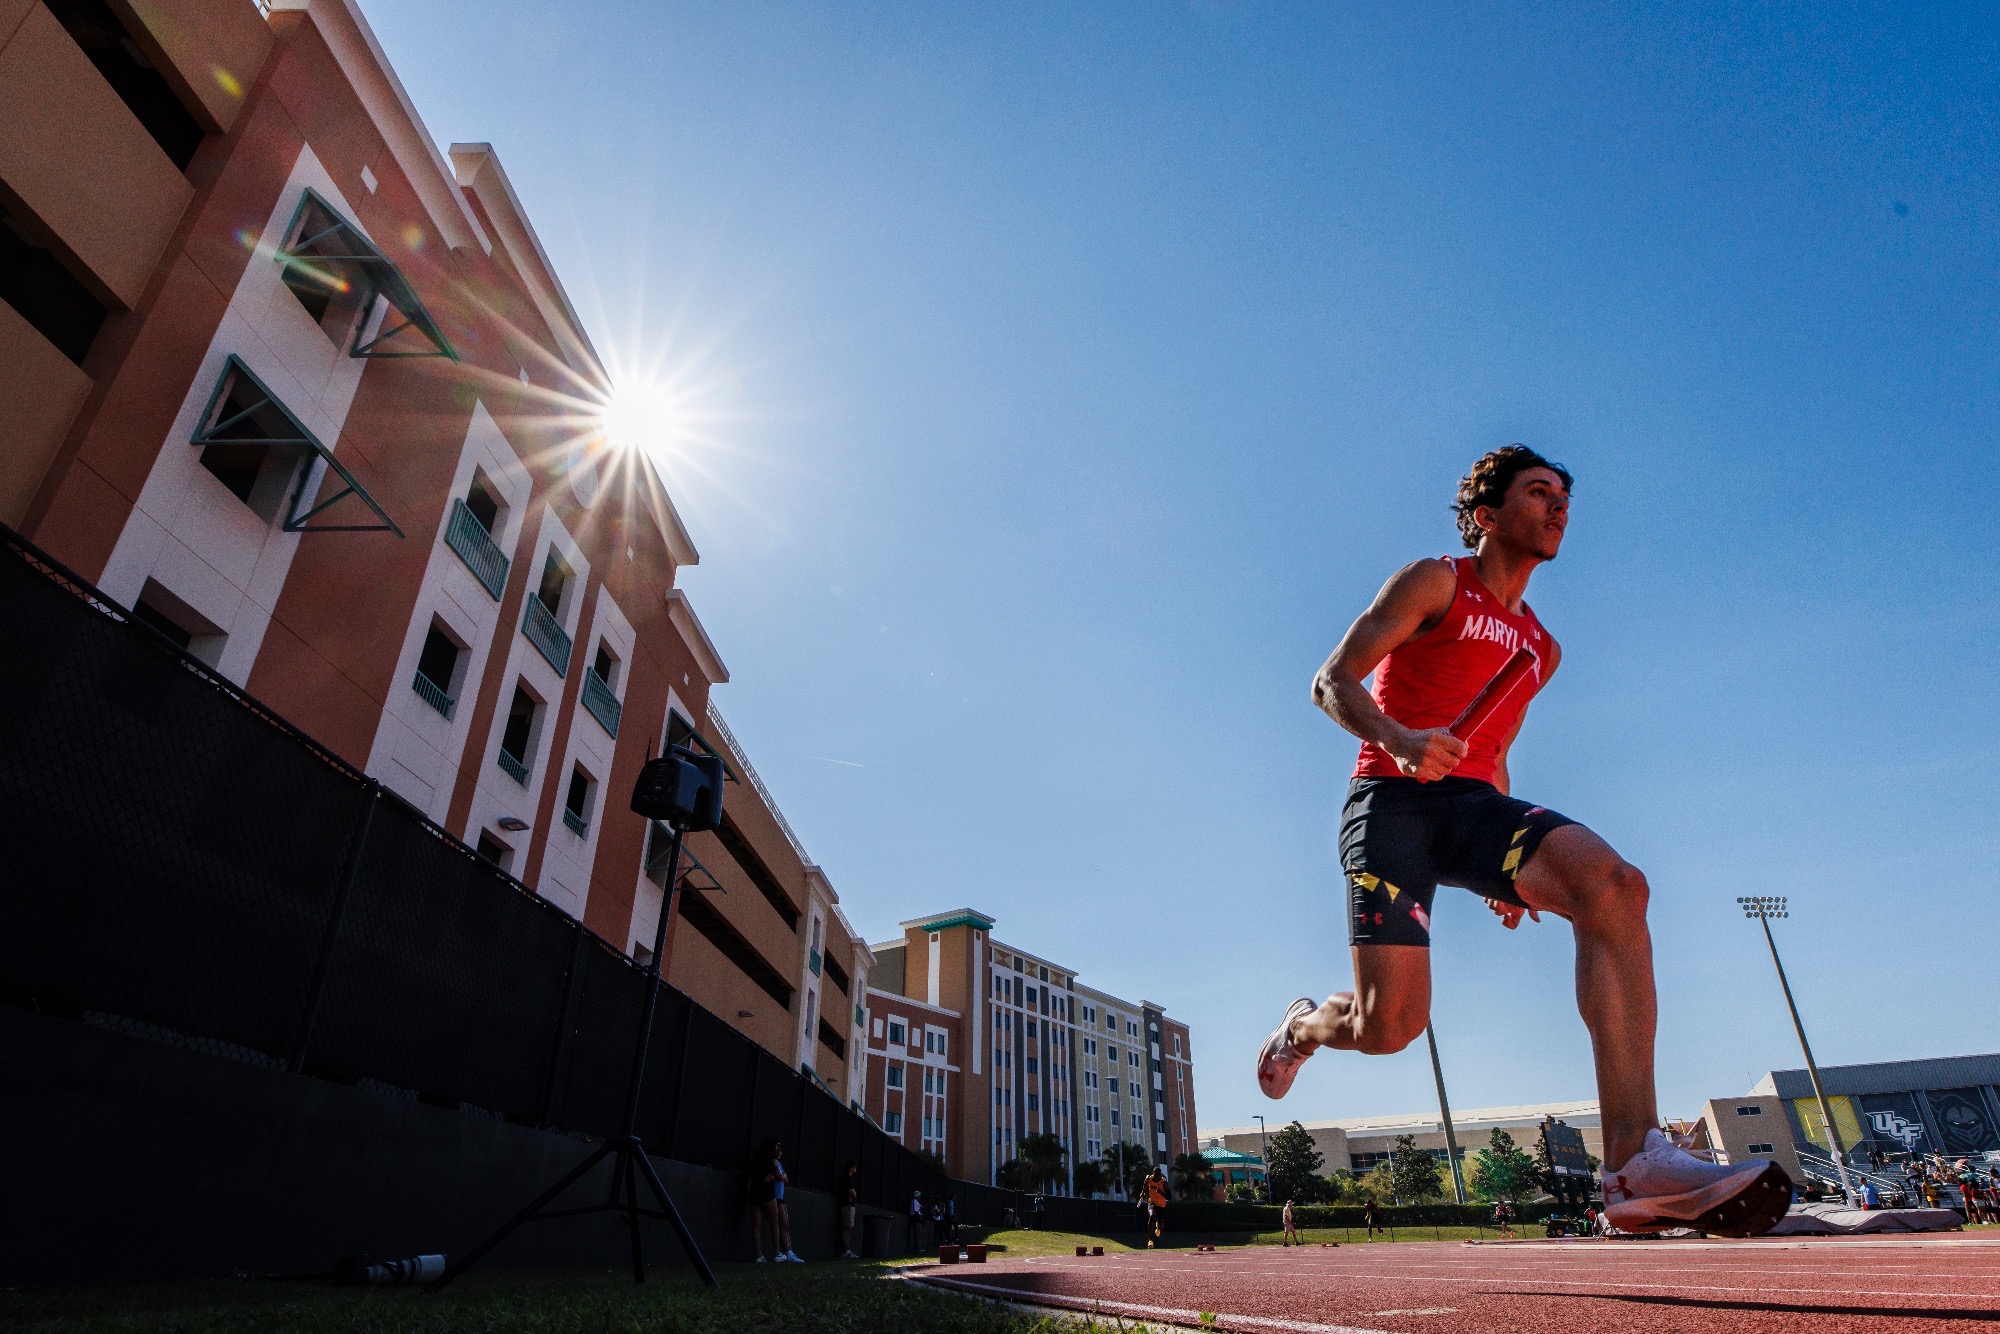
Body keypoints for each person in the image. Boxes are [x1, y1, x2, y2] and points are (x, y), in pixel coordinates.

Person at [1254, 446, 1794, 1239]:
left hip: (1475, 806)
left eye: (1564, 496)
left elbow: (1497, 750)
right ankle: (1301, 1026)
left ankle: (1633, 1163)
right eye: (1539, 492)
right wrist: (1400, 738)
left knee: (1615, 886)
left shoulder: (1541, 646)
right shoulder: (1434, 581)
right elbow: (1331, 681)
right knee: (1389, 1027)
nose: (1559, 506)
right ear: (1486, 515)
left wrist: (1507, 876)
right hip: (1391, 803)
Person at [750, 1138, 801, 1263]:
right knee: (774, 1223)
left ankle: (758, 1255)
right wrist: (774, 1175)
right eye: (776, 1147)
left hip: (754, 1192)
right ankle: (776, 1253)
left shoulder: (756, 1159)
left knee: (756, 1226)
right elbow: (775, 1176)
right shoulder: (773, 1160)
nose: (778, 1150)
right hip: (767, 1193)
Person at [838, 1161, 860, 1258]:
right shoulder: (847, 1179)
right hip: (847, 1207)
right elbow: (853, 1193)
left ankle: (847, 1250)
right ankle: (846, 1251)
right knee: (847, 1228)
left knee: (848, 1228)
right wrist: (852, 1195)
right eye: (854, 1167)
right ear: (851, 1168)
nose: (855, 1169)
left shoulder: (848, 1179)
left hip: (848, 1206)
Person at [1145, 1167, 1170, 1247]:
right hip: (1152, 1202)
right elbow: (1145, 1187)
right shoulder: (1149, 1179)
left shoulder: (1164, 1182)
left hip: (1162, 1205)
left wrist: (1160, 1192)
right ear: (1153, 1174)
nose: (1156, 1177)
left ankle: (1158, 1228)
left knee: (1161, 1225)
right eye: (1155, 1175)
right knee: (1152, 1215)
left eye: (1158, 1175)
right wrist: (1143, 1193)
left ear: (1160, 1175)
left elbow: (1169, 1197)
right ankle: (1150, 1240)